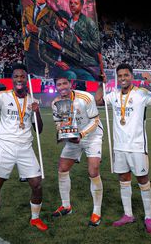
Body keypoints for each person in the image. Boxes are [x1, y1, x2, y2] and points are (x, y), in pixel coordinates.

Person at [0, 63, 48, 234]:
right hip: (5, 146)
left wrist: (36, 112)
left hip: (25, 147)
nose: (19, 79)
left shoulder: (33, 100)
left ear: (26, 79)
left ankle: (35, 218)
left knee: (37, 184)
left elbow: (39, 130)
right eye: (16, 76)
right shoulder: (1, 96)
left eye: (22, 76)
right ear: (12, 79)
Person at [95, 62, 151, 234]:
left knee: (143, 180)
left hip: (137, 146)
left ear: (131, 76)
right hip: (119, 147)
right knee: (124, 180)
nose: (123, 78)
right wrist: (101, 83)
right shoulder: (114, 94)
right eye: (120, 76)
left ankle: (148, 217)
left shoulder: (141, 93)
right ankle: (128, 215)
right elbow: (98, 101)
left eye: (126, 75)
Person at [51, 73, 104, 226]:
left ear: (71, 83)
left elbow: (95, 121)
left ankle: (96, 211)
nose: (62, 87)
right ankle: (66, 206)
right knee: (62, 169)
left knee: (93, 171)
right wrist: (61, 134)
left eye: (64, 83)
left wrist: (81, 134)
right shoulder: (56, 103)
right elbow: (60, 124)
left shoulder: (85, 97)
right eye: (59, 84)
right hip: (74, 139)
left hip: (92, 136)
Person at [39, 9, 93, 81]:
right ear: (56, 19)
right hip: (54, 67)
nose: (63, 25)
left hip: (70, 66)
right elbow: (42, 54)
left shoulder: (71, 35)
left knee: (88, 75)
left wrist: (61, 48)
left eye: (65, 23)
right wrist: (56, 63)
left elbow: (77, 56)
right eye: (61, 21)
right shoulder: (45, 31)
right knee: (71, 75)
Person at [22, 0, 55, 76]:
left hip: (44, 48)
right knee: (31, 74)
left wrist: (39, 30)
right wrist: (27, 30)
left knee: (44, 74)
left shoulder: (51, 12)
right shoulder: (27, 9)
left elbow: (55, 30)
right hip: (29, 47)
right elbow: (23, 25)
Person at [68, 0, 102, 81]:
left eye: (76, 3)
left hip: (86, 65)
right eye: (71, 3)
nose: (72, 5)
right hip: (71, 63)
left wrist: (81, 42)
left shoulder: (89, 22)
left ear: (82, 6)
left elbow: (97, 45)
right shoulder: (66, 22)